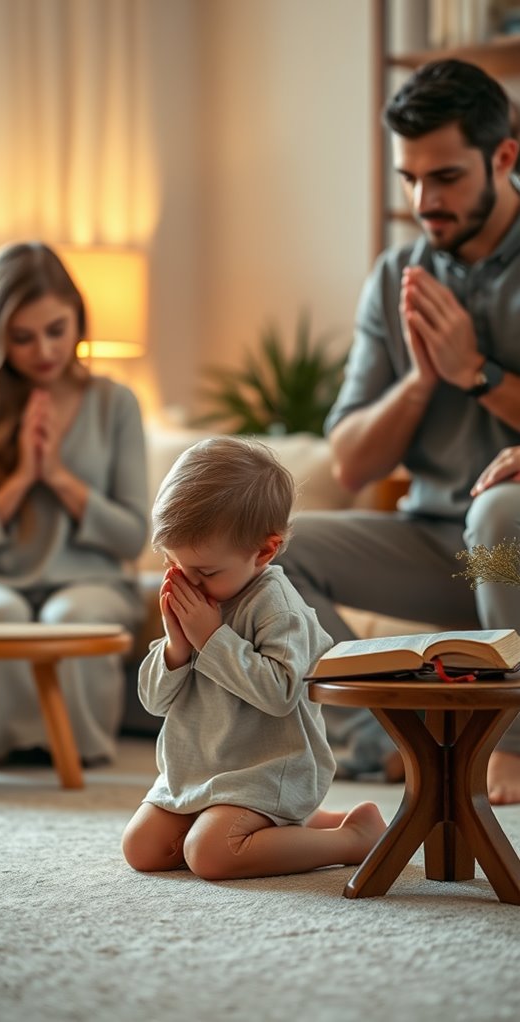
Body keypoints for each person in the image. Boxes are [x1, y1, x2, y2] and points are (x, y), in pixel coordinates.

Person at [278, 58, 520, 805]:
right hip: (436, 547)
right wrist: (420, 381)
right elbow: (349, 461)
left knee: (498, 514)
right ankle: (391, 743)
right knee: (272, 548)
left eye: (443, 177)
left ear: (504, 156)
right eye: (408, 178)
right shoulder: (395, 278)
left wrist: (476, 373)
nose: (423, 200)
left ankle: (509, 744)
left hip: (509, 551)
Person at [121, 437, 386, 880]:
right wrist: (176, 648)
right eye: (173, 563)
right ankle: (310, 825)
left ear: (264, 551)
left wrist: (212, 639)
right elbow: (154, 702)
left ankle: (354, 839)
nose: (188, 582)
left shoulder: (279, 608)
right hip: (198, 772)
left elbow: (281, 694)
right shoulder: (194, 598)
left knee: (211, 854)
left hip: (264, 773)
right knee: (142, 849)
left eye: (204, 572)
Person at [0, 241, 148, 767]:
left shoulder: (115, 403)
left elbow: (132, 536)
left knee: (72, 613)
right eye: (23, 337)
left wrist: (59, 479)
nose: (44, 351)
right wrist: (18, 483)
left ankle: (75, 750)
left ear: (78, 319)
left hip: (93, 581)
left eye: (57, 330)